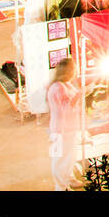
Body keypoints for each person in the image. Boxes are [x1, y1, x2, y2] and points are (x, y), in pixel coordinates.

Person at [47, 58, 81, 190]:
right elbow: (66, 108)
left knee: (69, 157)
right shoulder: (58, 88)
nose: (76, 72)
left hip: (69, 128)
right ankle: (61, 186)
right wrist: (79, 95)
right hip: (61, 130)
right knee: (61, 159)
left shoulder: (66, 85)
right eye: (74, 69)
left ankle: (68, 179)